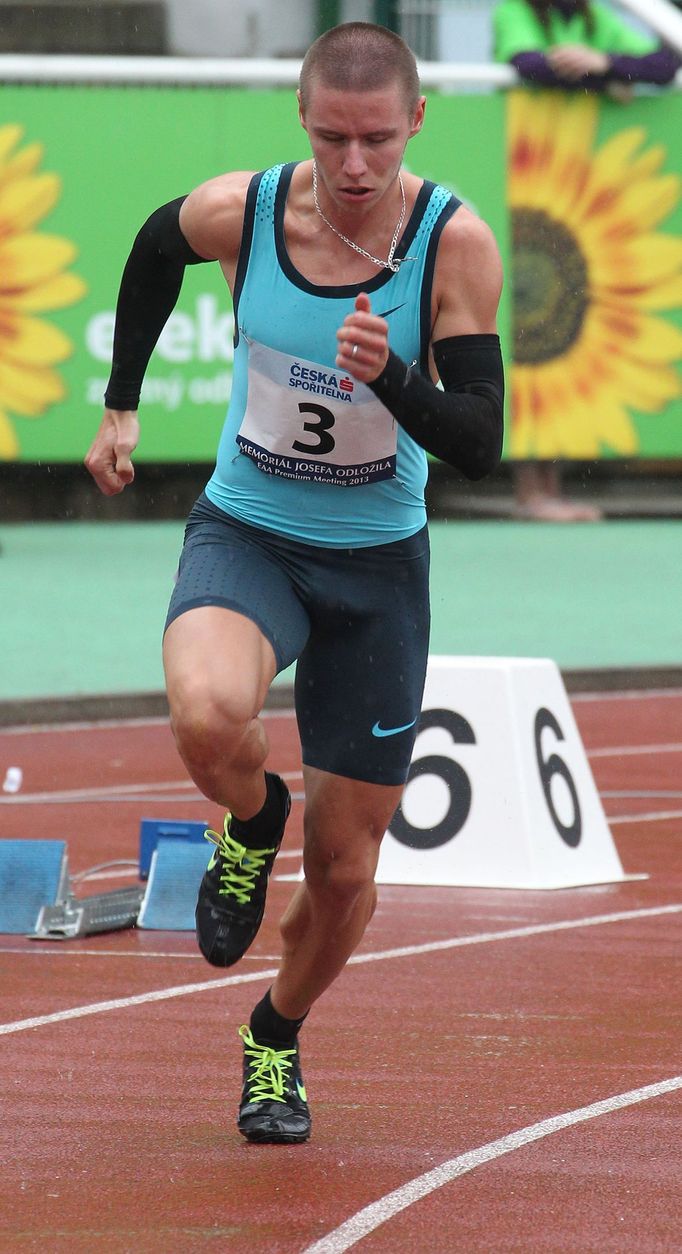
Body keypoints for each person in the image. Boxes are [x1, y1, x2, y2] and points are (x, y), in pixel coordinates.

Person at [85, 21, 504, 1144]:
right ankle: (250, 816)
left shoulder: (453, 246)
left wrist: (396, 382)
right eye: (332, 139)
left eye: (375, 139)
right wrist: (121, 400)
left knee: (348, 865)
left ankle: (274, 1034)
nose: (354, 165)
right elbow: (149, 245)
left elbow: (477, 442)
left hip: (376, 569)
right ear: (303, 124)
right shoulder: (248, 210)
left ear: (415, 122)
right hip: (251, 528)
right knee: (205, 708)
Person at [493, 0, 680, 521]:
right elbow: (529, 65)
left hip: (566, 182)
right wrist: (606, 75)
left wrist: (601, 65)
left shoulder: (597, 15)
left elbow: (665, 63)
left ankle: (548, 486)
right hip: (524, 173)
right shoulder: (515, 9)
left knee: (558, 330)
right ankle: (530, 490)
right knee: (525, 330)